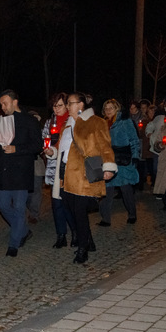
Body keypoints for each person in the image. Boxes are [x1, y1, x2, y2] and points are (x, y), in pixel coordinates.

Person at [50, 92, 116, 264]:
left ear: (80, 105)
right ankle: (88, 240)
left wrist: (108, 166)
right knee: (69, 208)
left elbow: (105, 146)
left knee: (79, 211)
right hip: (65, 173)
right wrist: (52, 152)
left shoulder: (96, 122)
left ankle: (82, 249)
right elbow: (62, 147)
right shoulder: (66, 125)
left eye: (70, 103)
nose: (67, 106)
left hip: (83, 173)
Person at [0, 89, 43, 257]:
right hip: (3, 172)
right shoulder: (1, 122)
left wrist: (17, 149)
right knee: (2, 205)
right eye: (1, 104)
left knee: (19, 208)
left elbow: (37, 145)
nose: (2, 107)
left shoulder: (29, 121)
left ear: (15, 102)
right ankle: (24, 231)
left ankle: (13, 244)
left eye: (5, 103)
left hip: (21, 172)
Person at [98, 99, 140, 226]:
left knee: (126, 189)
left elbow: (134, 140)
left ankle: (132, 214)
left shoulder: (125, 122)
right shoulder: (102, 123)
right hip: (108, 160)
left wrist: (135, 156)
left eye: (111, 108)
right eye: (106, 108)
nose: (108, 110)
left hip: (123, 160)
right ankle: (105, 219)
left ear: (117, 109)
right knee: (107, 190)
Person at [42, 92, 76, 248]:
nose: (56, 109)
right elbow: (44, 139)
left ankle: (76, 233)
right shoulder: (50, 123)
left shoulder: (73, 121)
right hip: (54, 167)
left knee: (69, 203)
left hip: (70, 168)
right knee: (56, 204)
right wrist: (48, 149)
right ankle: (61, 235)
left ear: (67, 106)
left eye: (60, 106)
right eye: (54, 106)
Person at [26, 110, 46, 224]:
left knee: (36, 190)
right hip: (25, 164)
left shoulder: (42, 132)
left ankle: (34, 214)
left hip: (37, 163)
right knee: (26, 191)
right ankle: (30, 209)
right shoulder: (22, 132)